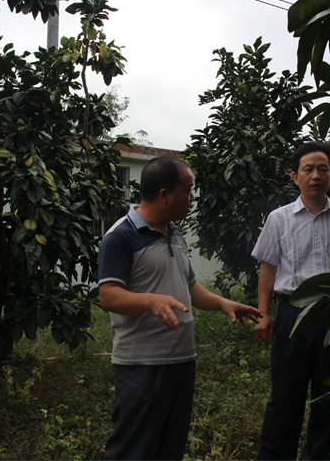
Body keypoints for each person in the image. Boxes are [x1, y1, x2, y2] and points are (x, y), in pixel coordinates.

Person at [98, 155, 263, 460]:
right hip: (142, 365)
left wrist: (223, 303)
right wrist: (151, 300)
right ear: (165, 194)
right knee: (133, 450)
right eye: (188, 190)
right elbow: (108, 296)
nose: (192, 197)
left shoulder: (174, 234)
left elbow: (190, 287)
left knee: (170, 448)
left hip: (181, 360)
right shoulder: (120, 237)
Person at [253, 141, 330, 461]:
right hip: (293, 315)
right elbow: (268, 268)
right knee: (284, 398)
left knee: (329, 396)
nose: (316, 175)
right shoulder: (279, 218)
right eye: (308, 169)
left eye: (323, 169)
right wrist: (263, 313)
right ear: (295, 176)